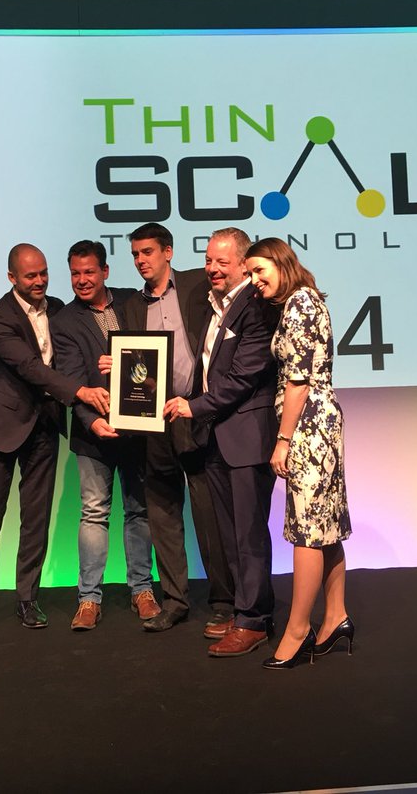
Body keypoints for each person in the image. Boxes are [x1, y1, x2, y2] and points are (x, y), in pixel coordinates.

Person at [0, 243, 110, 638]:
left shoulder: (59, 308)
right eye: (31, 275)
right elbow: (29, 367)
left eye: (44, 272)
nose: (40, 280)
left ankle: (28, 599)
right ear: (12, 278)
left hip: (43, 426)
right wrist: (79, 391)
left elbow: (72, 355)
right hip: (1, 427)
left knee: (36, 519)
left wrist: (105, 363)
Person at [164, 228, 279, 657]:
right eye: (208, 260)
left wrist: (194, 407)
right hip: (216, 436)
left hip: (246, 436)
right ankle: (241, 608)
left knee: (248, 534)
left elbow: (243, 376)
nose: (211, 268)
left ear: (244, 265)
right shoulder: (216, 305)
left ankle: (255, 620)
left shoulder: (256, 305)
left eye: (221, 262)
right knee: (229, 533)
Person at [118, 223, 235, 633]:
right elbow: (136, 363)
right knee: (163, 511)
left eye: (147, 252)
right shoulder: (132, 306)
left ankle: (224, 601)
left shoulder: (198, 284)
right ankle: (175, 601)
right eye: (135, 254)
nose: (140, 260)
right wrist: (121, 367)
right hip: (154, 420)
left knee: (208, 511)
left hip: (195, 412)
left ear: (168, 252)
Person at [244, 238, 353, 669]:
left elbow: (298, 381)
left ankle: (298, 629)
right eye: (250, 273)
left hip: (308, 427)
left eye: (259, 270)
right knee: (325, 525)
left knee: (307, 530)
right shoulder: (299, 301)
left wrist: (283, 439)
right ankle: (336, 617)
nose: (254, 280)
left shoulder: (300, 304)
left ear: (281, 262)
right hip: (319, 423)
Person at [51, 240, 159, 630]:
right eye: (75, 273)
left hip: (137, 429)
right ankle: (88, 599)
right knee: (94, 513)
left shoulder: (132, 302)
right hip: (93, 434)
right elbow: (69, 378)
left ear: (105, 272)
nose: (82, 280)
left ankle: (142, 590)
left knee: (139, 511)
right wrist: (89, 419)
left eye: (89, 272)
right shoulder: (64, 320)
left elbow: (153, 357)